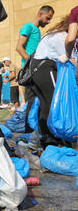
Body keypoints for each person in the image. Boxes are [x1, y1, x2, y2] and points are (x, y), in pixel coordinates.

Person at [31, 15, 71, 148]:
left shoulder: (56, 34)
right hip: (45, 68)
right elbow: (71, 59)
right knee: (55, 102)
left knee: (46, 103)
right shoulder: (62, 37)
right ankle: (55, 137)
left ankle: (47, 138)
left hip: (38, 68)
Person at [16, 5, 54, 130]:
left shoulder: (37, 31)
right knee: (32, 102)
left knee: (40, 102)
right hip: (31, 71)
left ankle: (38, 131)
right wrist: (31, 64)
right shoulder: (28, 27)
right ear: (40, 14)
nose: (48, 22)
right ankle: (29, 132)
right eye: (47, 18)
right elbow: (19, 47)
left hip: (37, 71)